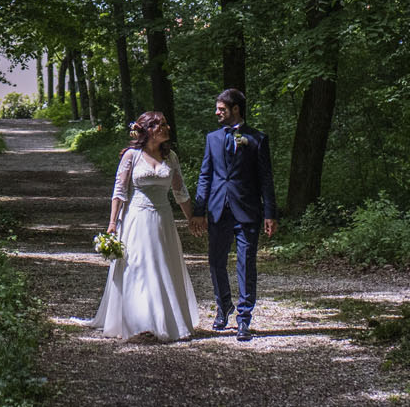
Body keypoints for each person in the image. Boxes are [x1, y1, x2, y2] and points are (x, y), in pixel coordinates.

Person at [91, 111, 202, 342]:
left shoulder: (170, 157)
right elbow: (119, 193)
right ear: (148, 129)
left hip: (163, 220)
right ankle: (140, 323)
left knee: (163, 267)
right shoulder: (132, 156)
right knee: (139, 268)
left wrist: (191, 218)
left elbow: (180, 192)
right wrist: (112, 223)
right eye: (160, 124)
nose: (166, 128)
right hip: (136, 219)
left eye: (165, 124)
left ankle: (165, 321)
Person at [188, 88, 277, 341]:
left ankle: (244, 318)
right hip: (218, 210)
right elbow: (205, 175)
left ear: (235, 109)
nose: (217, 112)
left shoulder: (257, 139)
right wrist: (199, 211)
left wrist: (271, 213)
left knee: (246, 264)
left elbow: (266, 179)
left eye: (221, 109)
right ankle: (224, 305)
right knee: (216, 262)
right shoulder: (212, 138)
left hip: (247, 211)